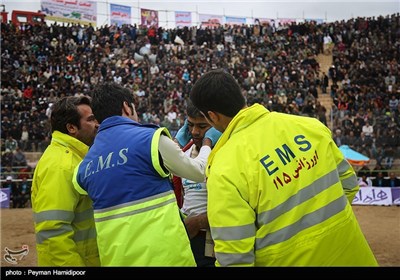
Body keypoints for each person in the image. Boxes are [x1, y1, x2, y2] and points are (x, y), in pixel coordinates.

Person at [189, 69, 378, 267]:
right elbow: (349, 183)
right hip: (352, 255)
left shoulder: (224, 166)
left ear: (212, 116)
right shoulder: (310, 127)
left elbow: (234, 257)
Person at [72, 82, 220, 266]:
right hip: (165, 257)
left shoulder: (84, 166)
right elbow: (198, 171)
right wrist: (207, 142)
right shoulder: (151, 139)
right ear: (127, 106)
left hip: (116, 260)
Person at [31, 96, 100, 266]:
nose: (98, 124)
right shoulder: (61, 165)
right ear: (71, 128)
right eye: (91, 119)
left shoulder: (74, 158)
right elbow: (53, 231)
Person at [173, 101, 219, 267]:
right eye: (191, 125)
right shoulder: (185, 152)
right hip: (187, 238)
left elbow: (234, 207)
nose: (194, 132)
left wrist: (199, 222)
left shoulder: (225, 154)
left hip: (213, 241)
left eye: (202, 126)